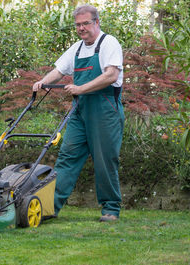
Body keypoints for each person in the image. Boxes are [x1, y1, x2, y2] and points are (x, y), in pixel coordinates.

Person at [32, 4, 124, 222]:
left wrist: (81, 88)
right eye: (78, 25)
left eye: (86, 23)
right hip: (81, 112)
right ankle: (48, 208)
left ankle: (111, 209)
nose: (82, 28)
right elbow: (59, 70)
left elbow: (111, 75)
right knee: (67, 157)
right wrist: (42, 82)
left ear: (96, 22)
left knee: (104, 160)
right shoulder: (77, 48)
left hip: (105, 110)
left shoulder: (108, 43)